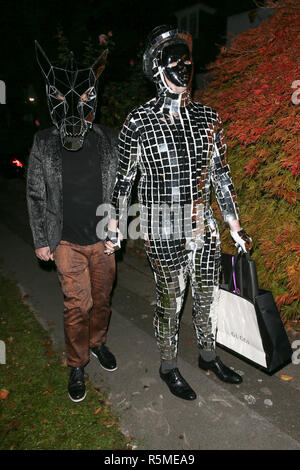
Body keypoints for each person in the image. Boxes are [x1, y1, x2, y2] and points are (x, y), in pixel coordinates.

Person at [105, 26, 253, 401]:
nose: (183, 66)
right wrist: (113, 225)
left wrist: (234, 224)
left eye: (187, 60)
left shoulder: (208, 119)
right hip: (161, 226)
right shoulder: (138, 123)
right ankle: (168, 365)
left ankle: (207, 356)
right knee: (170, 300)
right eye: (173, 60)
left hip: (202, 225)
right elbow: (123, 180)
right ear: (156, 67)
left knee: (207, 296)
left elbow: (221, 175)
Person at [27, 42, 118, 402]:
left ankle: (97, 343)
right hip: (63, 240)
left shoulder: (109, 139)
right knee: (76, 303)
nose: (75, 104)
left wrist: (118, 230)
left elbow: (123, 189)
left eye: (83, 95)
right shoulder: (43, 142)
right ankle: (76, 364)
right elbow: (35, 193)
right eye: (66, 96)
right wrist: (39, 238)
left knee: (102, 299)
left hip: (102, 239)